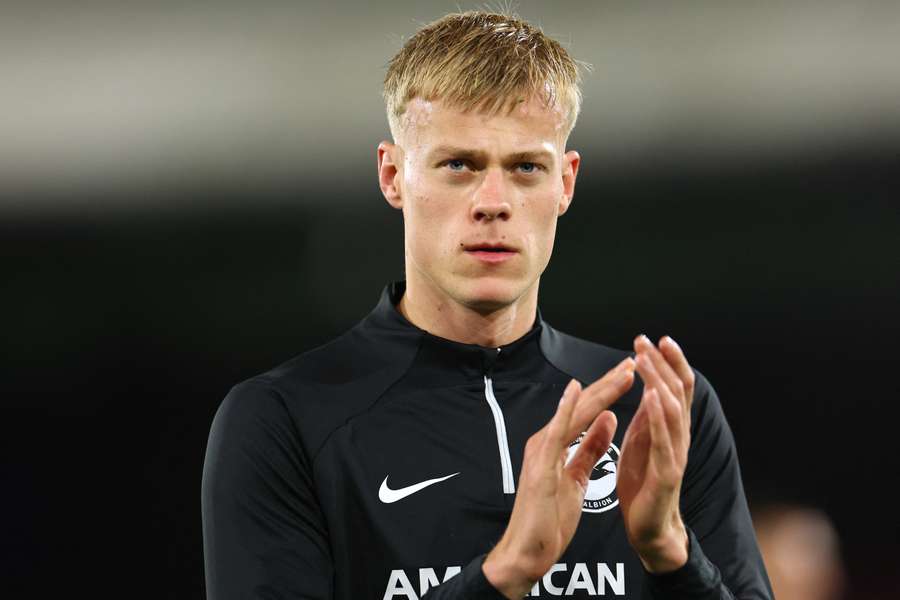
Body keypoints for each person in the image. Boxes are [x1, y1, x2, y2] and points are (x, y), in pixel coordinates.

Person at [201, 10, 773, 599]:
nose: (493, 202)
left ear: (566, 183)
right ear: (393, 175)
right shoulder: (283, 423)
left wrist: (670, 555)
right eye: (459, 165)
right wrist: (505, 574)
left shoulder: (663, 414)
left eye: (526, 167)